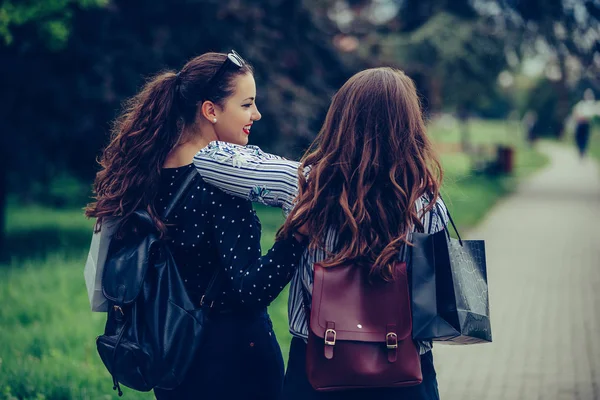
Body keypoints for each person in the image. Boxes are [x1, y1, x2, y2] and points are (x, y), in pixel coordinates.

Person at [194, 67, 449, 399]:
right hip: (404, 373)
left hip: (318, 371)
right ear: (410, 126)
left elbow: (209, 158)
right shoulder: (428, 206)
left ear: (340, 120)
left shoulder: (303, 186)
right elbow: (435, 313)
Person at [84, 51, 307, 400]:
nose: (256, 114)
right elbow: (252, 291)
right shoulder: (221, 183)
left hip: (170, 354)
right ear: (211, 110)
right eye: (246, 104)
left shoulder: (144, 174)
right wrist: (298, 235)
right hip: (234, 359)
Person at [572, 88, 598, 158]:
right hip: (580, 123)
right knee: (578, 137)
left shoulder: (591, 105)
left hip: (586, 124)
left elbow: (591, 115)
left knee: (585, 138)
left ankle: (583, 151)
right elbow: (575, 112)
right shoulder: (581, 104)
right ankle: (580, 150)